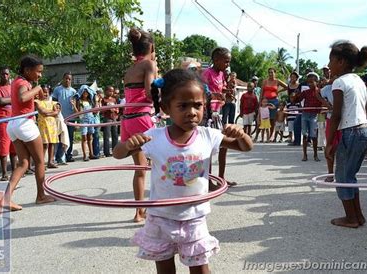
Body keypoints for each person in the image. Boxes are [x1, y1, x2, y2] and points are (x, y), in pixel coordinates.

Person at [113, 68, 253, 274]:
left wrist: (241, 135)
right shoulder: (154, 136)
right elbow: (117, 154)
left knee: (200, 269)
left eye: (198, 105)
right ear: (166, 107)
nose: (192, 112)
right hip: (161, 217)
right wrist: (127, 144)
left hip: (194, 217)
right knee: (165, 269)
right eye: (183, 106)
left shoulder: (208, 135)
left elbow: (245, 147)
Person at [325, 40, 367, 228]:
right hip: (365, 130)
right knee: (350, 176)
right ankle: (358, 216)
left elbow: (336, 116)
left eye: (331, 61)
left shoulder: (339, 82)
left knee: (343, 178)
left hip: (351, 132)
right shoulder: (359, 80)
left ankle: (351, 218)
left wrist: (329, 143)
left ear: (342, 61)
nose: (329, 65)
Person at [0, 54, 56, 211]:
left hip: (13, 125)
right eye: (38, 72)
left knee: (23, 163)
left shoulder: (16, 81)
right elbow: (23, 97)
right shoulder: (24, 83)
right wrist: (37, 88)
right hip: (25, 124)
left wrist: (37, 94)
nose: (40, 75)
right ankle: (41, 196)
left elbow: (27, 100)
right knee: (39, 161)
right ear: (27, 70)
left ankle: (6, 198)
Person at [122, 28, 156, 222]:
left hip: (128, 120)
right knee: (161, 161)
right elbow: (150, 93)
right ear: (151, 47)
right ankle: (160, 208)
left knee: (140, 167)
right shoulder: (149, 65)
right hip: (142, 117)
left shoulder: (130, 70)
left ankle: (139, 211)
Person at [202, 47, 237, 187]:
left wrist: (227, 91)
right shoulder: (207, 73)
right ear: (216, 60)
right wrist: (216, 95)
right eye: (226, 61)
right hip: (208, 115)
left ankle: (221, 178)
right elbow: (203, 90)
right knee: (209, 148)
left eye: (229, 62)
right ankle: (208, 181)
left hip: (218, 114)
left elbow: (220, 88)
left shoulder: (221, 74)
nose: (228, 64)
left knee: (224, 146)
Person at [292, 72, 323, 162]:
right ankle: (305, 155)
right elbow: (296, 101)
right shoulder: (305, 92)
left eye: (311, 82)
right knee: (304, 135)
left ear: (316, 82)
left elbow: (324, 101)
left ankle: (315, 155)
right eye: (308, 82)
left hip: (315, 115)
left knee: (314, 136)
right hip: (305, 114)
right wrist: (295, 95)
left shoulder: (320, 91)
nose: (309, 84)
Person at [52, 72, 77, 163]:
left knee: (69, 137)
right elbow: (54, 102)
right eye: (66, 78)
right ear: (63, 79)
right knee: (59, 137)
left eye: (69, 79)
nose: (67, 80)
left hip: (71, 117)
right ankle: (59, 157)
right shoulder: (57, 90)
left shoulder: (74, 91)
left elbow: (76, 105)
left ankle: (68, 155)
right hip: (60, 118)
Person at [35, 85, 60, 168]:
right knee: (44, 144)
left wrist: (48, 113)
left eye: (47, 92)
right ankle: (41, 163)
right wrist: (51, 112)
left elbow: (56, 113)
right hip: (43, 126)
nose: (45, 94)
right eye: (43, 92)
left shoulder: (53, 102)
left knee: (52, 143)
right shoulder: (37, 102)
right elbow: (42, 112)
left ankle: (50, 161)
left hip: (52, 126)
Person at [260, 67, 288, 139]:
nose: (270, 74)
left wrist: (279, 91)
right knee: (265, 118)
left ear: (275, 73)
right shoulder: (265, 81)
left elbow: (286, 87)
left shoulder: (277, 81)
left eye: (272, 72)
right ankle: (263, 136)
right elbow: (261, 92)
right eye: (269, 72)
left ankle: (270, 136)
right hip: (265, 101)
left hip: (274, 101)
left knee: (272, 119)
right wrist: (260, 101)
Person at [73, 85, 96, 161]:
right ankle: (85, 155)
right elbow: (78, 113)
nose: (85, 93)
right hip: (84, 120)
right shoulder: (79, 101)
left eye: (87, 92)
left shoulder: (90, 101)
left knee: (90, 137)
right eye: (84, 92)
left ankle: (91, 153)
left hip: (91, 119)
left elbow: (94, 110)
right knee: (84, 137)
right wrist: (74, 105)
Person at [101, 86, 119, 157]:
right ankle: (107, 152)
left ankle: (115, 150)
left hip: (114, 118)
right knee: (107, 136)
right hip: (107, 118)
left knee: (115, 135)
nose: (111, 93)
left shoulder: (114, 100)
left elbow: (117, 108)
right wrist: (108, 109)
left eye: (112, 91)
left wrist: (116, 110)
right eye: (109, 91)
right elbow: (101, 110)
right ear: (105, 91)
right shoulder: (103, 100)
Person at [286, 72, 301, 144]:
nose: (292, 78)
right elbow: (287, 93)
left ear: (297, 78)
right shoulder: (289, 85)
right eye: (291, 77)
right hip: (290, 103)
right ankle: (290, 137)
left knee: (296, 120)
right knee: (290, 120)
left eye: (294, 77)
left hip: (297, 103)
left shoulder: (299, 85)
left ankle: (296, 138)